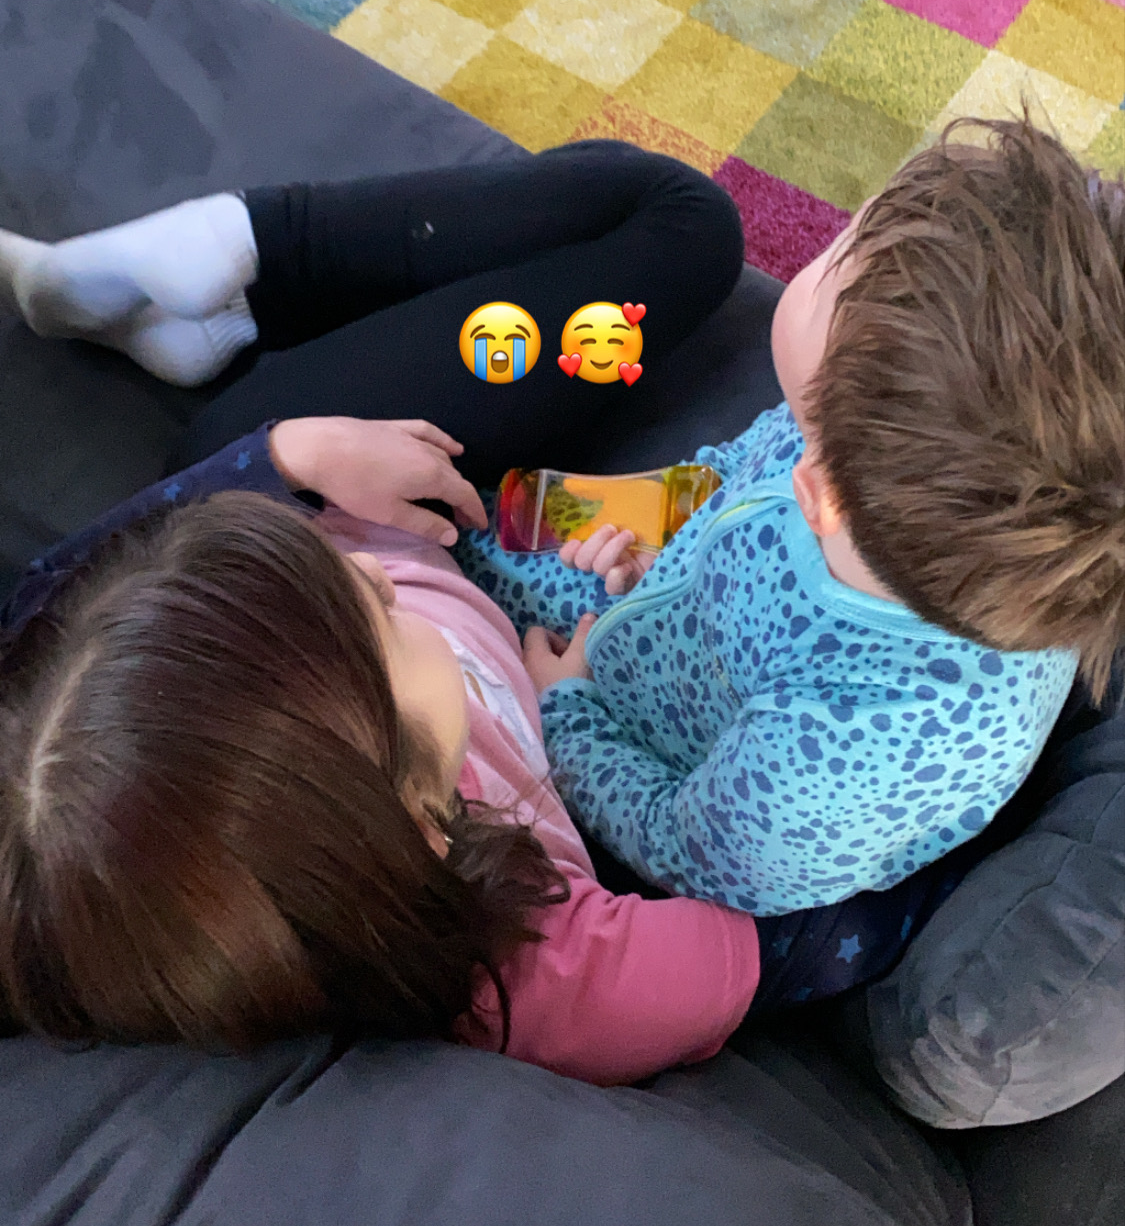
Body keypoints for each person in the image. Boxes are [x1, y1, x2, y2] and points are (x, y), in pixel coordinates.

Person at [0, 145, 761, 1081]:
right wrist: (575, 726)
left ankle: (233, 257)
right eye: (377, 620)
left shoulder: (81, 792)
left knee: (661, 219)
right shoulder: (540, 964)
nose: (373, 574)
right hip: (473, 528)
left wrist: (283, 461)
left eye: (343, 578)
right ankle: (240, 257)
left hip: (300, 488)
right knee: (679, 219)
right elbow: (748, 929)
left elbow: (51, 613)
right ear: (420, 818)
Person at [456, 118, 1125, 928]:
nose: (828, 238)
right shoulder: (881, 454)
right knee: (462, 515)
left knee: (413, 576)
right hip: (655, 597)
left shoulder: (848, 750)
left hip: (618, 735)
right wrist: (661, 540)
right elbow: (739, 472)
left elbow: (685, 847)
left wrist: (565, 716)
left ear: (819, 496)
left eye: (836, 250)